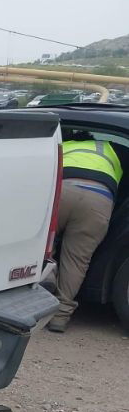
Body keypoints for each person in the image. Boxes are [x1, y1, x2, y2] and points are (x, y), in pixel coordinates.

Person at [48, 129, 124, 332]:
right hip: (99, 200)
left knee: (42, 248)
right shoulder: (111, 151)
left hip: (63, 191)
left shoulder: (65, 146)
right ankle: (60, 317)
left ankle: (40, 292)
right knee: (76, 261)